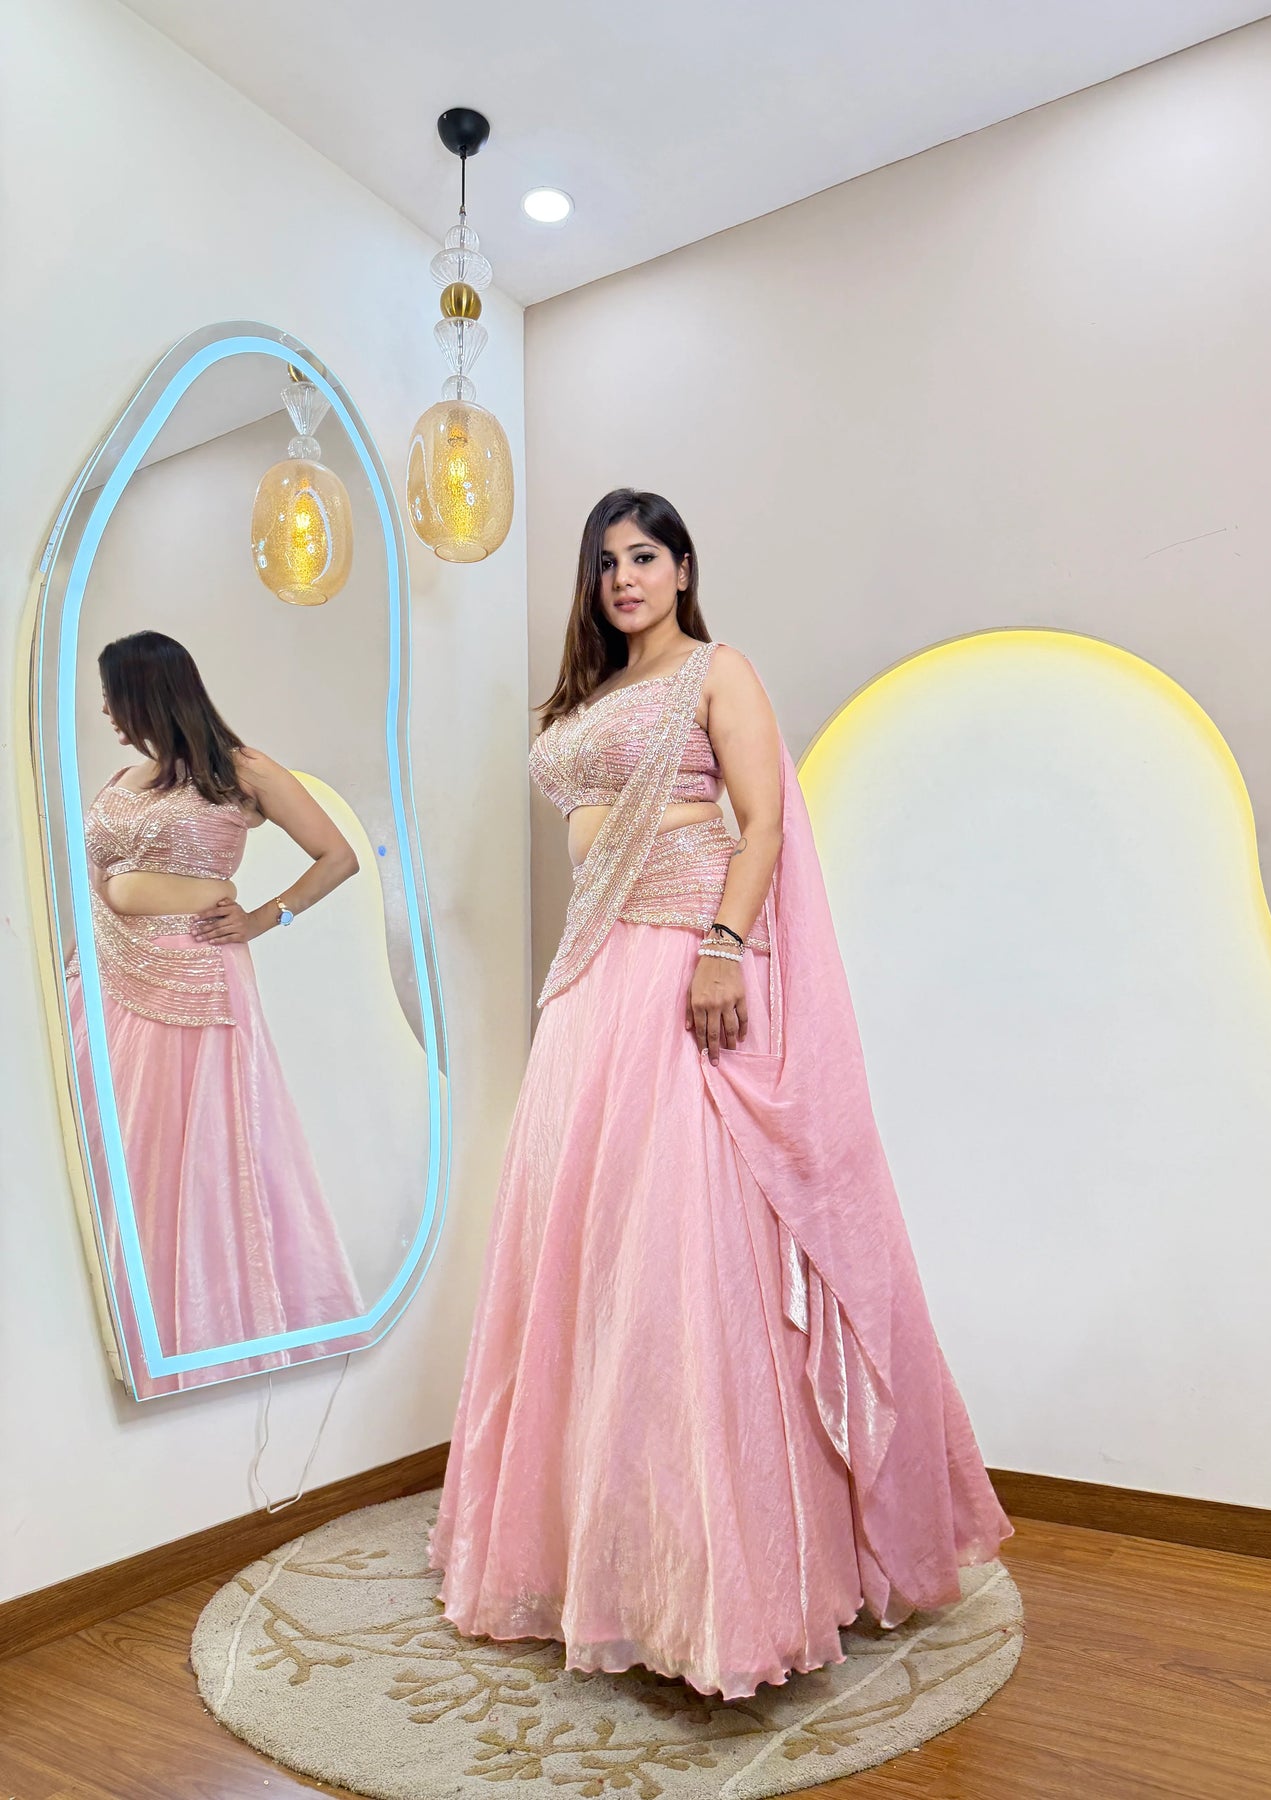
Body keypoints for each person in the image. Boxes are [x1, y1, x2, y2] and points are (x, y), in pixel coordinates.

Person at [429, 492, 1011, 1699]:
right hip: (591, 980)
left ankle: (731, 1585)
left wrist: (723, 948)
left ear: (684, 569)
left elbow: (764, 824)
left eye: (644, 555)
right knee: (592, 1259)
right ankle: (604, 1559)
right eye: (606, 562)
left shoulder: (716, 672)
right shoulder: (591, 695)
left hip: (679, 962)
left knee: (683, 1259)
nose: (624, 577)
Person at [68, 629, 364, 1395]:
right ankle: (111, 1331)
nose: (106, 711)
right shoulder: (121, 779)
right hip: (108, 977)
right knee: (110, 1144)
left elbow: (337, 855)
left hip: (197, 974)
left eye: (113, 695)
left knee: (193, 1152)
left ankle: (203, 1329)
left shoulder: (241, 770)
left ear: (150, 693)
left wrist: (267, 917)